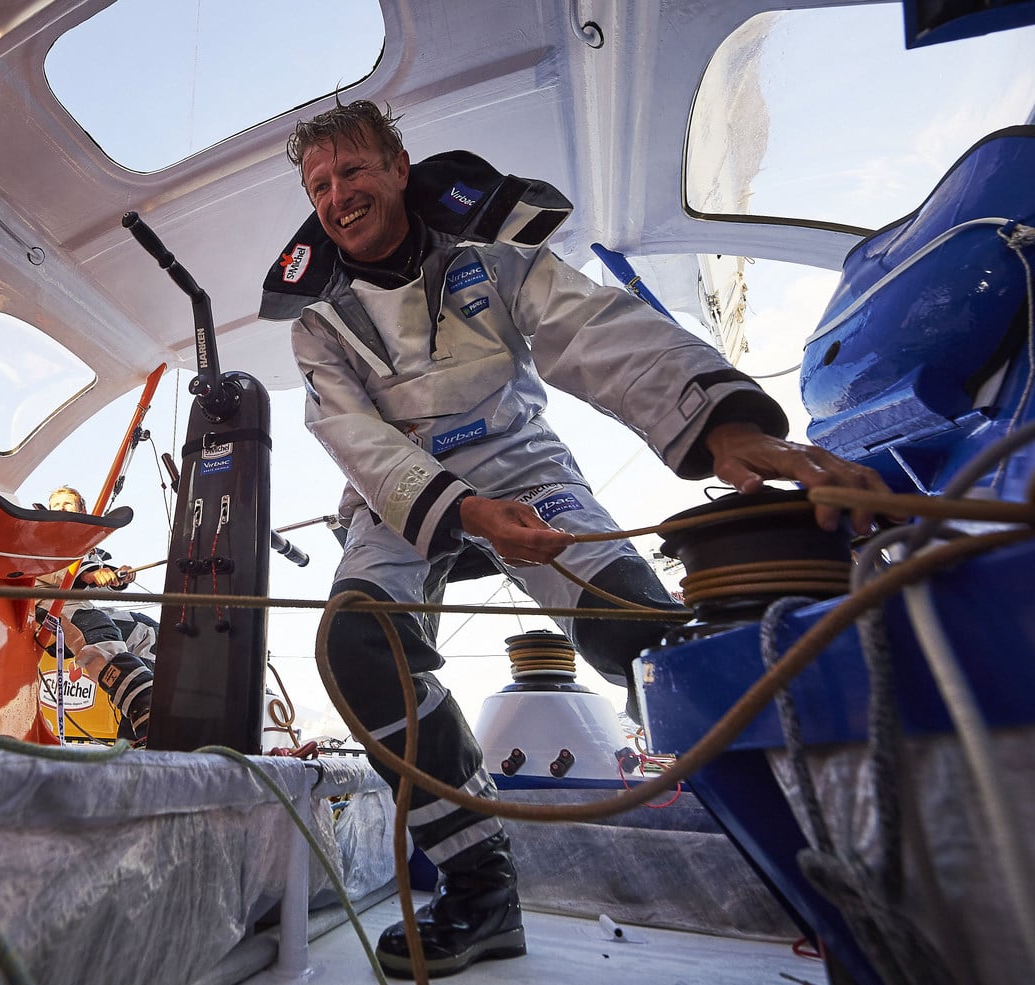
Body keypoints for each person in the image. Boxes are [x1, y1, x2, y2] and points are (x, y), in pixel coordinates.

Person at [259, 99, 890, 978]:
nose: (338, 195)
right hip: (398, 498)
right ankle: (480, 888)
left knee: (642, 632)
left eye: (354, 171)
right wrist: (460, 510)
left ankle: (831, 878)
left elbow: (593, 330)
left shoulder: (496, 250)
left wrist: (723, 428)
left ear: (400, 167)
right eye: (320, 184)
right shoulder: (315, 323)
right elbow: (353, 439)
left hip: (527, 473)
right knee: (357, 645)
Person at [37, 486, 156, 743]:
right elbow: (55, 564)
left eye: (67, 503)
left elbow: (93, 564)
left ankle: (136, 729)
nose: (61, 507)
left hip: (76, 602)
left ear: (82, 510)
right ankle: (145, 707)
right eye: (55, 503)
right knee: (98, 630)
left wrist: (118, 575)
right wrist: (90, 574)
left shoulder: (82, 546)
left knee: (146, 630)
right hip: (43, 606)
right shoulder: (40, 534)